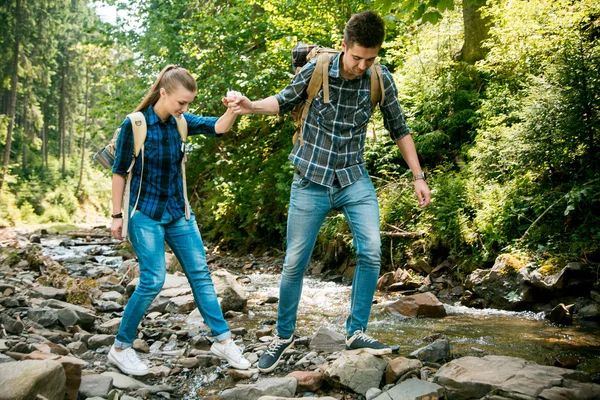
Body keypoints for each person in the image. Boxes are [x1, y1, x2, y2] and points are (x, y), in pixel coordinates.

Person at [226, 11, 431, 373]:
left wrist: (418, 176)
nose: (362, 65)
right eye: (356, 58)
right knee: (294, 263)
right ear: (343, 47)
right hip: (311, 179)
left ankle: (357, 331)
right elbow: (283, 101)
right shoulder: (317, 71)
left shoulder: (379, 78)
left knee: (371, 251)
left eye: (370, 58)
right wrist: (250, 106)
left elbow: (400, 128)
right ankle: (283, 335)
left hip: (353, 178)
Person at [108, 65, 250, 376]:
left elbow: (220, 127)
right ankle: (120, 347)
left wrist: (234, 110)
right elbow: (119, 171)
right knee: (153, 280)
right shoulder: (135, 124)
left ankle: (224, 341)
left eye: (188, 104)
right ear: (163, 93)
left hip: (179, 213)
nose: (185, 109)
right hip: (144, 214)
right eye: (181, 102)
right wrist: (116, 216)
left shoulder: (182, 122)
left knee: (200, 274)